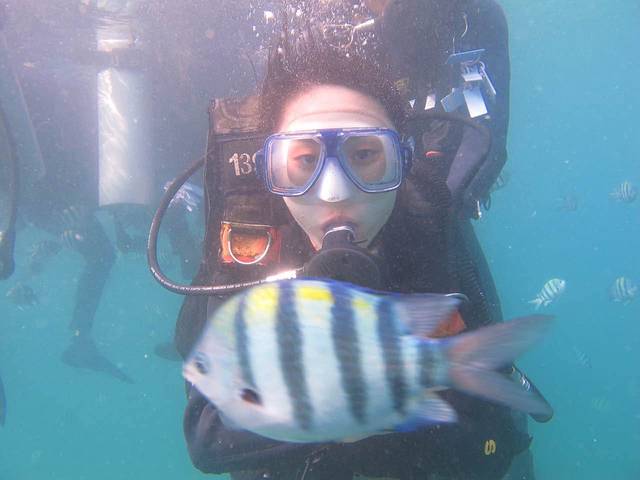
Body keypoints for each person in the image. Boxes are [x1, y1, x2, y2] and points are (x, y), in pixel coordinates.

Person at [171, 3, 544, 479]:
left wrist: (373, 405)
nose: (334, 192)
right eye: (303, 161)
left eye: (366, 155)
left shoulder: (425, 221)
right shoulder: (250, 240)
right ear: (269, 172)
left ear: (403, 164)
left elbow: (490, 444)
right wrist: (341, 413)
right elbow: (207, 440)